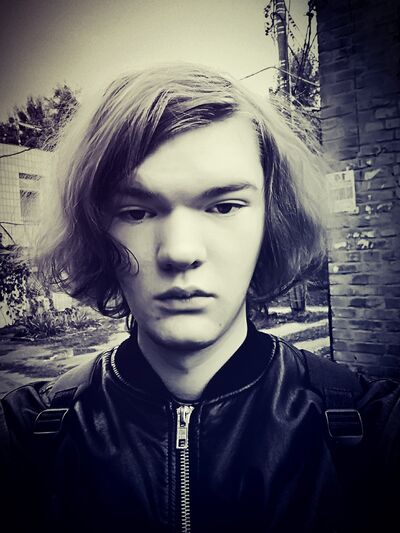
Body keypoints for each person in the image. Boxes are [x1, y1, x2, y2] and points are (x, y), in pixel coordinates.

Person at [0, 63, 399, 533]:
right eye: (136, 212)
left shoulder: (373, 429)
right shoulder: (24, 437)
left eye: (224, 206)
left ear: (273, 219)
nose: (180, 251)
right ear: (94, 230)